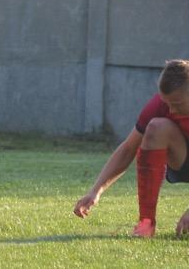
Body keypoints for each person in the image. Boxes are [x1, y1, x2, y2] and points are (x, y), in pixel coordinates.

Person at [74, 59, 189, 238]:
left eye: (177, 104)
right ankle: (146, 222)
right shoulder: (159, 105)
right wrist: (95, 191)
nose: (171, 110)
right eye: (167, 103)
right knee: (156, 127)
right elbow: (128, 149)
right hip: (183, 159)